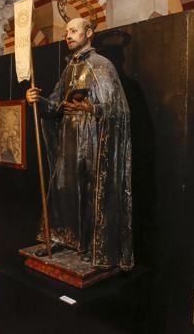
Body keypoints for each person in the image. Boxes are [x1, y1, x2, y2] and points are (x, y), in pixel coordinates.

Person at [26, 17, 133, 270]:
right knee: (63, 187)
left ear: (89, 33)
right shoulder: (69, 68)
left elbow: (118, 110)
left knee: (89, 191)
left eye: (73, 31)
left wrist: (90, 106)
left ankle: (88, 244)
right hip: (69, 138)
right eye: (66, 32)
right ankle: (61, 237)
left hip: (93, 141)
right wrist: (37, 99)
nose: (68, 35)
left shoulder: (101, 65)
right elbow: (54, 104)